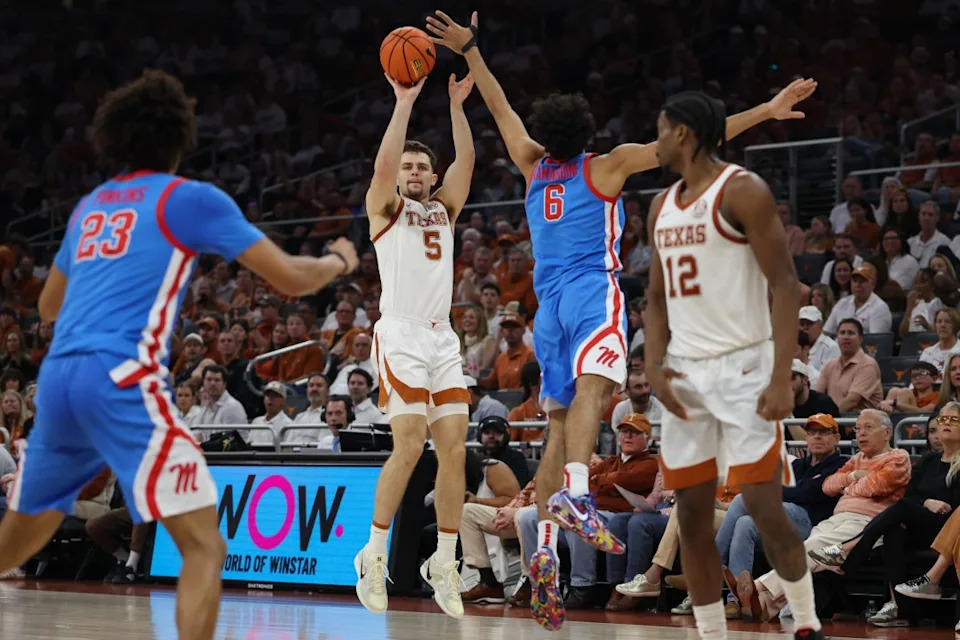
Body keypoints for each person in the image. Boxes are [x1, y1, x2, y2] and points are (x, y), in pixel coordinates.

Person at [426, 10, 816, 631]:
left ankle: (547, 549)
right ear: (586, 131)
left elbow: (500, 109)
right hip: (588, 292)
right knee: (595, 391)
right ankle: (578, 497)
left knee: (557, 422)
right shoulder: (605, 165)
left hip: (544, 305)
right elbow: (690, 144)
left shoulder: (530, 162)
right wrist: (766, 111)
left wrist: (472, 52)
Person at [0, 70, 358, 640]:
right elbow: (291, 278)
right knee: (204, 545)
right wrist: (341, 261)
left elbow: (46, 307)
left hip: (60, 375)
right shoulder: (187, 198)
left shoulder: (91, 207)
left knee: (23, 532)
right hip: (118, 375)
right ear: (180, 138)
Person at [643, 89, 823, 640]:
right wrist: (653, 367)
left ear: (684, 134)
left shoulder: (742, 189)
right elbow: (654, 299)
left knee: (764, 509)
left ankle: (806, 620)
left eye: (660, 128)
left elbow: (787, 285)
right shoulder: (659, 205)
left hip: (744, 369)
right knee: (693, 519)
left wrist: (779, 376)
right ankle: (712, 634)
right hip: (685, 376)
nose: (654, 141)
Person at [355, 69, 477, 619]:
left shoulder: (443, 210)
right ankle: (373, 552)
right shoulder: (385, 210)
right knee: (408, 446)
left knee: (454, 450)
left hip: (441, 336)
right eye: (409, 165)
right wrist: (404, 101)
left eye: (423, 166)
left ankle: (445, 561)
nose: (416, 171)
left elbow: (466, 164)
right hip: (400, 332)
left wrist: (455, 107)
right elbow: (383, 166)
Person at [809, 402, 960, 627]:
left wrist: (928, 504)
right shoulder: (929, 460)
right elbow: (910, 494)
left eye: (953, 420)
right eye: (942, 419)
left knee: (901, 510)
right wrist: (927, 501)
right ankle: (898, 606)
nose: (946, 424)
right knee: (893, 530)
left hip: (952, 528)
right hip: (925, 524)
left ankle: (847, 551)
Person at [716, 414, 845, 618]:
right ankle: (738, 601)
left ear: (836, 438)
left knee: (742, 500)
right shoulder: (797, 466)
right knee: (744, 523)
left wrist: (791, 490)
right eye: (812, 432)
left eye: (824, 432)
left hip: (811, 525)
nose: (817, 437)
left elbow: (812, 491)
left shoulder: (839, 465)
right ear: (806, 438)